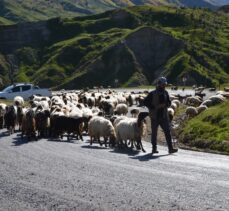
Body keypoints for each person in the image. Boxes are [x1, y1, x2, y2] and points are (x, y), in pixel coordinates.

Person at [143, 77, 178, 154]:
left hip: (164, 116)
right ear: (159, 84)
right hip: (155, 116)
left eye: (165, 84)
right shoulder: (152, 93)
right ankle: (154, 148)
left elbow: (169, 102)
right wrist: (153, 107)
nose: (164, 86)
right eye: (163, 84)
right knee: (154, 133)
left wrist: (166, 105)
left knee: (167, 132)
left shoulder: (166, 93)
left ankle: (170, 148)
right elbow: (145, 102)